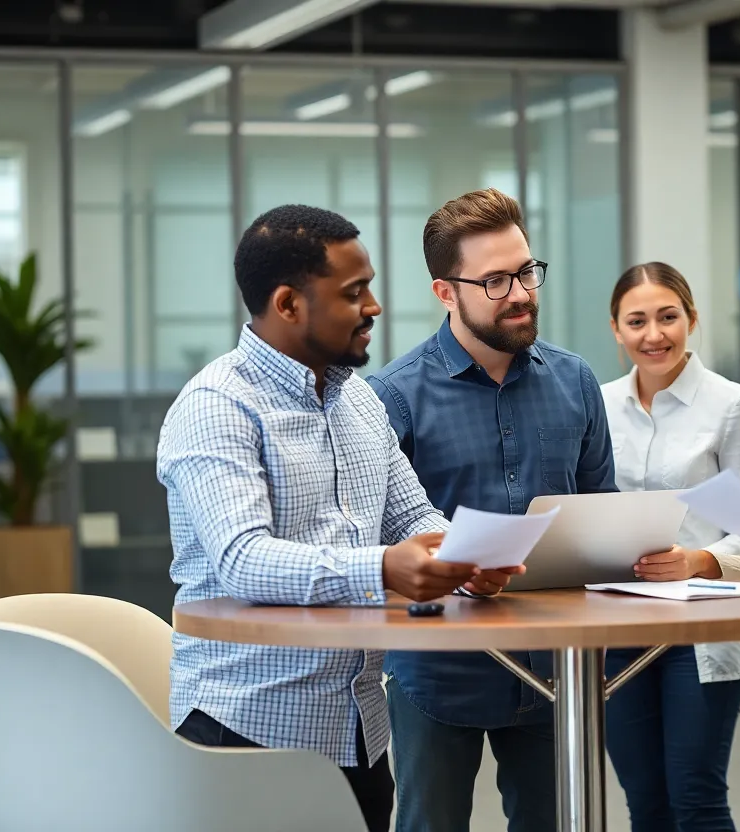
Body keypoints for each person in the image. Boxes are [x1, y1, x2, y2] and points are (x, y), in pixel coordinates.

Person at [156, 204, 497, 832]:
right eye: (354, 292)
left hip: (359, 732)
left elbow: (411, 518)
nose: (375, 306)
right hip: (247, 732)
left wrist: (468, 556)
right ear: (288, 304)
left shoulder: (358, 400)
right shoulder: (216, 407)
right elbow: (243, 561)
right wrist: (385, 570)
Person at [367, 188, 616, 832]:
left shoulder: (575, 380)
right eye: (496, 280)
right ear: (445, 292)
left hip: (554, 668)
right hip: (437, 670)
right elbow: (374, 543)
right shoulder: (392, 396)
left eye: (527, 272)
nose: (521, 293)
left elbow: (600, 509)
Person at [600, 262, 740, 832]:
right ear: (616, 330)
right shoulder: (598, 406)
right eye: (636, 321)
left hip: (701, 625)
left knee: (695, 796)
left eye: (668, 317)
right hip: (618, 627)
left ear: (691, 319)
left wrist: (698, 560)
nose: (654, 334)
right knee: (644, 802)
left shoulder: (734, 405)